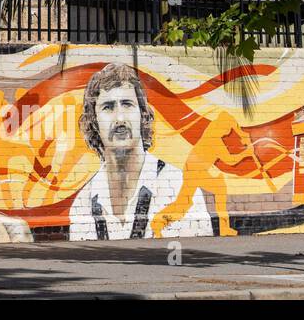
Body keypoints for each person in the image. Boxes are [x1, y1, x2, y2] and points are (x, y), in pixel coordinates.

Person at [69, 62, 212, 240]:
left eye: (127, 104)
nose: (120, 118)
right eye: (108, 107)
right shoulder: (83, 203)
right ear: (93, 122)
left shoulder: (178, 187)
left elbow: (193, 258)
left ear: (142, 114)